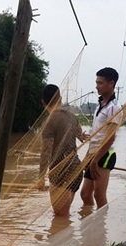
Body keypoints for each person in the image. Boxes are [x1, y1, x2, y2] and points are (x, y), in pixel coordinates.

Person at [37, 84, 85, 217]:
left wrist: (40, 178)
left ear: (43, 102)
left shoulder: (49, 121)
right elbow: (80, 135)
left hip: (60, 171)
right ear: (61, 98)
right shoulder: (72, 116)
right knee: (64, 216)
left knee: (60, 217)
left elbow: (45, 152)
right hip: (76, 168)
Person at [80, 67, 123, 209]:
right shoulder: (102, 105)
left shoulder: (114, 108)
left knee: (99, 195)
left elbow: (110, 137)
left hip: (104, 155)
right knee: (85, 194)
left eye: (100, 83)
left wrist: (96, 159)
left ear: (111, 84)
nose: (97, 86)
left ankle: (101, 228)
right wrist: (88, 156)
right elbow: (97, 135)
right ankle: (88, 224)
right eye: (96, 82)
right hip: (93, 153)